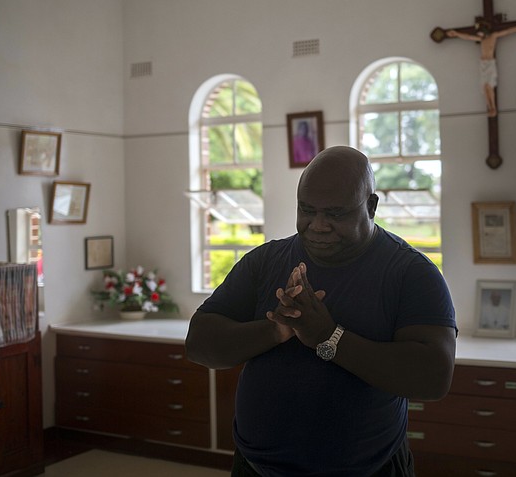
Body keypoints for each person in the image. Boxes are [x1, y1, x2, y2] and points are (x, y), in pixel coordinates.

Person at [186, 146, 457, 477]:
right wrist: (274, 330)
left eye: (335, 214)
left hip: (370, 470)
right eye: (307, 210)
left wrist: (329, 338)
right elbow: (198, 344)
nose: (317, 225)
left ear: (371, 206)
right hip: (255, 468)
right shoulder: (264, 262)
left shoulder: (411, 273)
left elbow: (434, 378)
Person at [446, 20, 516, 117]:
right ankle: (489, 107)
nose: (480, 35)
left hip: (490, 64)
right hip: (482, 64)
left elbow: (507, 31)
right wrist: (456, 33)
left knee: (489, 86)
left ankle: (493, 107)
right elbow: (468, 37)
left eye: (481, 32)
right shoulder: (481, 39)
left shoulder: (493, 36)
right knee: (484, 86)